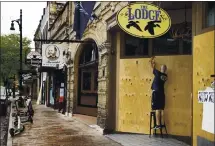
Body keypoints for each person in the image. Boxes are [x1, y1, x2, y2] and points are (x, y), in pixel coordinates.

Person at [149, 56, 168, 129]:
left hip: (156, 92)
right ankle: (162, 124)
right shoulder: (165, 76)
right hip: (161, 93)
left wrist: (152, 61)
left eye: (163, 68)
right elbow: (153, 68)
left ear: (163, 69)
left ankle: (158, 125)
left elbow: (152, 68)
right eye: (163, 68)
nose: (162, 69)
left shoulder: (158, 73)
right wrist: (153, 63)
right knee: (161, 109)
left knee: (157, 108)